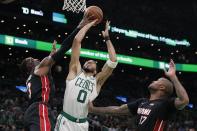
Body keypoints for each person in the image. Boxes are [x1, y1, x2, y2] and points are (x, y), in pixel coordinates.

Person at [20, 14, 92, 131]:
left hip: (32, 112)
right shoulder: (38, 70)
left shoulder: (35, 76)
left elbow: (49, 62)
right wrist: (80, 26)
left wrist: (51, 55)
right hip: (39, 109)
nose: (36, 59)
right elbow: (65, 46)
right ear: (30, 65)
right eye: (33, 59)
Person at [89, 59, 189, 131]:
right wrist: (94, 110)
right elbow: (118, 110)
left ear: (162, 88)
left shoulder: (166, 104)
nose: (153, 81)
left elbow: (184, 100)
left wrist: (173, 76)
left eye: (157, 81)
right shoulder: (142, 102)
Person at [55, 20, 118, 131]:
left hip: (82, 125)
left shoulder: (97, 81)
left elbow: (113, 60)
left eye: (93, 62)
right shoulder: (75, 72)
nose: (89, 61)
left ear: (95, 71)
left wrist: (107, 38)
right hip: (66, 121)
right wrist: (89, 24)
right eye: (87, 61)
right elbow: (76, 41)